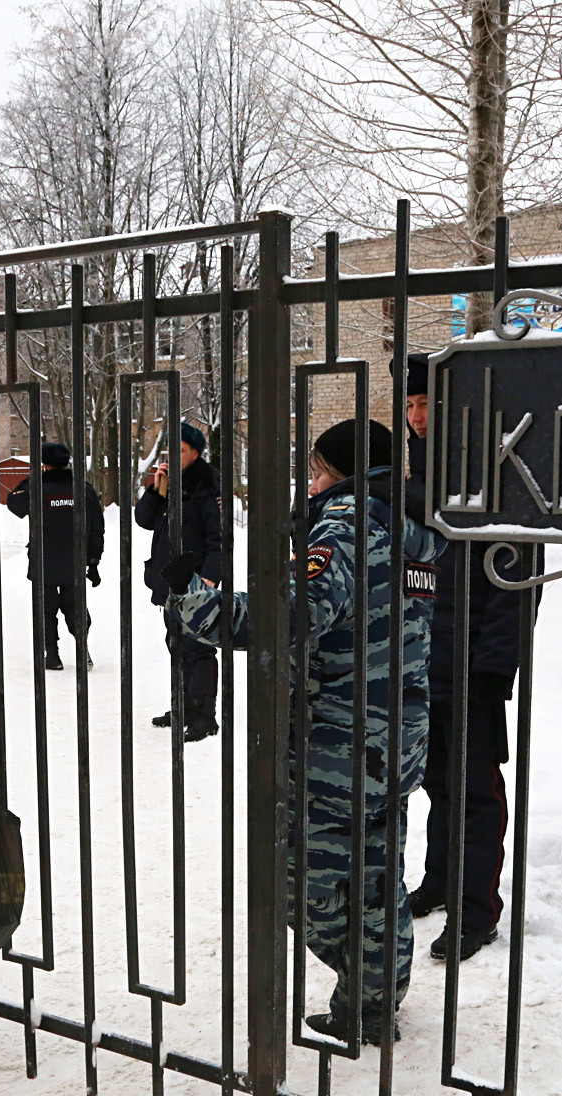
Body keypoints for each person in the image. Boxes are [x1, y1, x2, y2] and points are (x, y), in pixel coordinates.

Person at [169, 419, 441, 1044]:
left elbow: (293, 613)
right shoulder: (411, 534)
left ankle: (363, 989)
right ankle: (370, 1005)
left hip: (339, 744)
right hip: (395, 734)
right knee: (377, 875)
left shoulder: (345, 526)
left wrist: (194, 604)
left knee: (302, 883)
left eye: (318, 469)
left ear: (342, 471)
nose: (311, 481)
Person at [401, 351, 541, 963]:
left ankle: (478, 909)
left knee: (475, 792)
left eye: (427, 404)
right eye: (409, 406)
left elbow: (516, 584)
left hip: (470, 668)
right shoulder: (412, 484)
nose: (417, 417)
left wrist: (492, 669)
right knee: (434, 783)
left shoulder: (495, 479)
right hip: (415, 665)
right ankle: (437, 882)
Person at [135, 421, 225, 741]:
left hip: (197, 582)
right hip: (168, 580)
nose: (173, 455)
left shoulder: (207, 486)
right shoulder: (171, 483)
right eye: (170, 449)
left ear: (196, 454)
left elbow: (219, 538)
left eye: (181, 450)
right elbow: (144, 520)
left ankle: (206, 715)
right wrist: (157, 487)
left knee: (198, 648)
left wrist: (211, 578)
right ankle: (184, 705)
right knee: (176, 646)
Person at [5, 440, 104, 670]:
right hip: (75, 560)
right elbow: (96, 527)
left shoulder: (36, 489)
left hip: (44, 560)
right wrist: (94, 560)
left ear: (44, 465)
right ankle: (82, 649)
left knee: (46, 609)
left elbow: (14, 503)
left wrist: (31, 480)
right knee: (75, 607)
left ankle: (52, 656)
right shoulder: (83, 489)